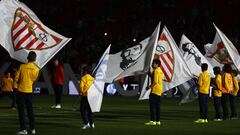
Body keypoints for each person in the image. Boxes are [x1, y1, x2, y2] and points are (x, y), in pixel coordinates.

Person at [14, 51, 39, 135]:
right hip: (29, 91)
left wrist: (15, 86)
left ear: (28, 58)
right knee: (30, 111)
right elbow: (33, 80)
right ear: (35, 59)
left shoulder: (22, 66)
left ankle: (23, 129)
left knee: (21, 111)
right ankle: (33, 129)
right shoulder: (36, 69)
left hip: (21, 91)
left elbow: (17, 78)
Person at [145, 59, 164, 126]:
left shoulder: (156, 70)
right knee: (158, 106)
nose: (152, 64)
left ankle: (152, 121)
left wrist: (149, 87)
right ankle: (158, 121)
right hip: (159, 90)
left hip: (155, 90)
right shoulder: (160, 70)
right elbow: (158, 79)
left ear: (157, 64)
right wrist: (149, 73)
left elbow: (155, 81)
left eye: (153, 63)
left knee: (152, 106)